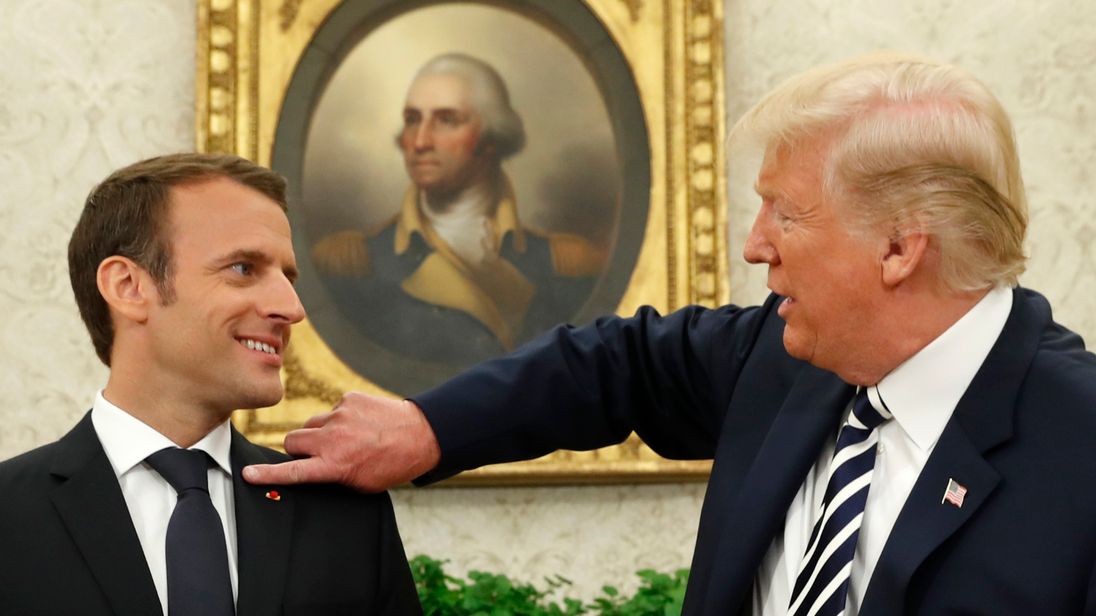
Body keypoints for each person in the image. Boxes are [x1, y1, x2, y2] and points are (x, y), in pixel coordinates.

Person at [244, 53, 1096, 614]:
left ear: (901, 248)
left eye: (786, 215)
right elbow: (610, 367)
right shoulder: (783, 356)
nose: (755, 243)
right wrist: (427, 429)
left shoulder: (1080, 442)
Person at [0, 154, 421, 615]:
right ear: (127, 286)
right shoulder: (11, 514)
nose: (292, 307)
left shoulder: (348, 519)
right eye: (243, 268)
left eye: (288, 276)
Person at [311, 52, 607, 368]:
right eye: (413, 119)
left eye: (446, 120)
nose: (420, 141)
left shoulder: (567, 265)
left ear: (491, 138)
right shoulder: (351, 264)